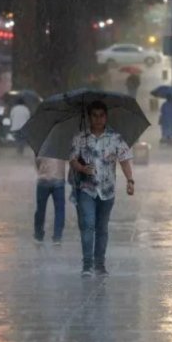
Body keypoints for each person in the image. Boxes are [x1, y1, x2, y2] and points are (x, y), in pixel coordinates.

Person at [69, 101, 135, 277]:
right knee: (88, 225)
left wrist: (130, 180)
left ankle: (100, 264)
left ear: (106, 117)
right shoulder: (80, 138)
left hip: (107, 191)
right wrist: (82, 168)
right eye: (94, 115)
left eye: (101, 115)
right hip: (86, 188)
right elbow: (73, 159)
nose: (98, 119)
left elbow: (124, 160)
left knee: (102, 228)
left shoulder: (116, 138)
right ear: (89, 117)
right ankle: (87, 265)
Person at [34, 157, 66, 244]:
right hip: (59, 179)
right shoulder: (62, 145)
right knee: (60, 210)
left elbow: (37, 161)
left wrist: (42, 170)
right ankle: (57, 236)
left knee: (40, 209)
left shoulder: (41, 145)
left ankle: (38, 235)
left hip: (43, 179)